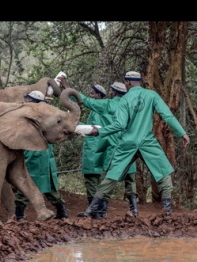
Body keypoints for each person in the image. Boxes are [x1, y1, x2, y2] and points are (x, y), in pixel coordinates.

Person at [81, 71, 190, 218]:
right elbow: (167, 115)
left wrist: (99, 132)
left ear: (128, 83)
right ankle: (167, 210)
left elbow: (119, 125)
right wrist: (182, 133)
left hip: (128, 143)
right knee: (164, 172)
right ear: (139, 81)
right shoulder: (152, 95)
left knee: (112, 176)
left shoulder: (124, 100)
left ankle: (91, 209)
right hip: (147, 141)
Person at [60, 76, 139, 218]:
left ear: (112, 93)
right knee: (128, 178)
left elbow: (84, 101)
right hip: (128, 146)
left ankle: (96, 211)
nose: (91, 94)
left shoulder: (105, 105)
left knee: (97, 178)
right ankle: (133, 210)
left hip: (102, 145)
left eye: (93, 93)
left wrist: (67, 87)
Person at [14, 90, 69, 221]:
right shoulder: (47, 116)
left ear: (34, 102)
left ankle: (19, 214)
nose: (26, 101)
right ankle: (62, 211)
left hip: (35, 153)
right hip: (42, 153)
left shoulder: (34, 117)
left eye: (29, 99)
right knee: (48, 184)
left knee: (27, 183)